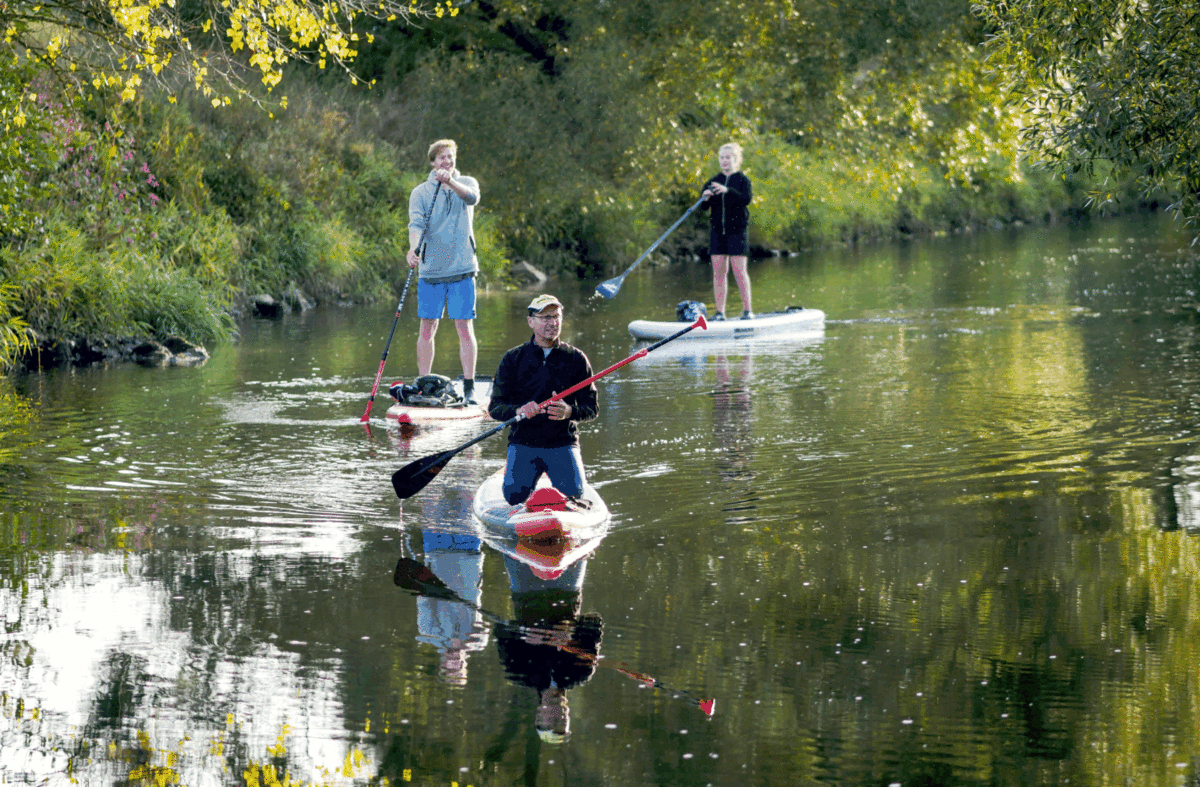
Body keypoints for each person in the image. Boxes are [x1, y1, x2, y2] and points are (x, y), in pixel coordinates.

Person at [487, 295, 599, 506]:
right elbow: (495, 408)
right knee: (513, 496)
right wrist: (518, 410)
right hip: (524, 443)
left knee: (573, 496)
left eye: (556, 317)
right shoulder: (513, 358)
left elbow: (592, 408)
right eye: (546, 317)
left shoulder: (576, 358)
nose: (553, 323)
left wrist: (569, 412)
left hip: (562, 444)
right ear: (531, 321)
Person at [407, 139, 481, 403]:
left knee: (464, 326)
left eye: (450, 157)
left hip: (462, 268)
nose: (446, 162)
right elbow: (415, 225)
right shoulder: (420, 193)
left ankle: (469, 384)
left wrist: (449, 181)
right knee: (427, 327)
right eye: (441, 158)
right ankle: (424, 383)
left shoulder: (467, 183)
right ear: (432, 162)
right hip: (431, 271)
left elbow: (471, 198)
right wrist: (413, 249)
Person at [700, 142, 754, 321]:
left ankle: (747, 311)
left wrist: (727, 191)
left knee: (739, 271)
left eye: (728, 158)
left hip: (737, 231)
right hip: (717, 233)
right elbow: (704, 207)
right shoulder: (712, 181)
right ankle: (719, 313)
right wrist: (705, 197)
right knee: (718, 272)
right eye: (722, 158)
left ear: (736, 160)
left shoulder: (742, 180)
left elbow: (746, 199)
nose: (724, 161)